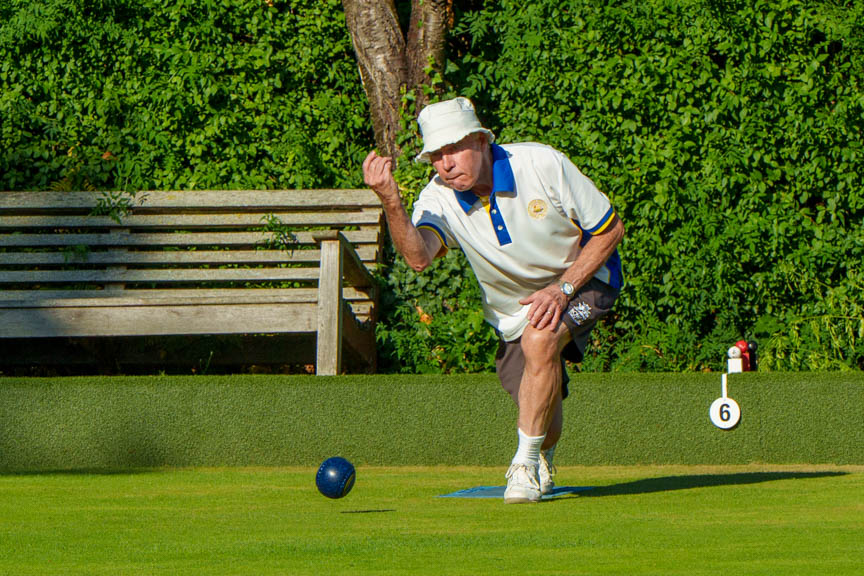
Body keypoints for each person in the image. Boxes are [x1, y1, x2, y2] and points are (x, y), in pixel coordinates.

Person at [362, 97, 624, 503]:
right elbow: (418, 257)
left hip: (586, 278)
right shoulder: (438, 198)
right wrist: (391, 201)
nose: (445, 164)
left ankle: (522, 465)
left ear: (482, 141)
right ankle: (542, 454)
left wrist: (563, 288)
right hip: (513, 311)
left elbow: (609, 229)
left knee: (541, 339)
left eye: (454, 149)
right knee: (540, 407)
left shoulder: (541, 164)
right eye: (436, 155)